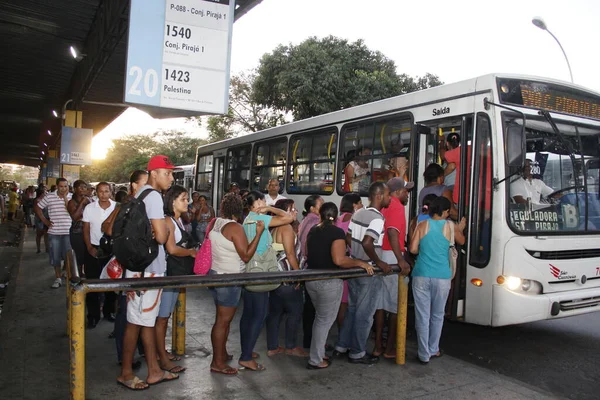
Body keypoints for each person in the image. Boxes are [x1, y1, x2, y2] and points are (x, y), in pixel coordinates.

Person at [117, 156, 178, 390]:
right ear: (154, 173)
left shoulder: (141, 193)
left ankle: (153, 370)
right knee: (137, 322)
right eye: (167, 173)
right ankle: (125, 372)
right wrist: (161, 229)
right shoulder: (153, 196)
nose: (171, 178)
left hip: (140, 268)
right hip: (148, 270)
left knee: (144, 321)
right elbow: (162, 237)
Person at [305, 202, 374, 369]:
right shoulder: (337, 232)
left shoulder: (313, 230)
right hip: (328, 282)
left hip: (310, 280)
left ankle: (319, 354)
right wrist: (360, 262)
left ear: (320, 215)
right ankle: (315, 360)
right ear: (336, 218)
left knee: (320, 320)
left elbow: (308, 253)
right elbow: (339, 260)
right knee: (324, 321)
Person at [333, 181, 391, 365]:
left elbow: (349, 237)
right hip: (368, 270)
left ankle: (342, 345)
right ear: (380, 196)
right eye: (388, 195)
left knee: (352, 309)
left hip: (354, 269)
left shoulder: (358, 213)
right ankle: (357, 352)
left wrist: (356, 254)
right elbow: (368, 242)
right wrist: (379, 261)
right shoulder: (377, 218)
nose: (389, 198)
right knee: (365, 314)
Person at [209, 193, 263, 375]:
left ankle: (221, 354)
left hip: (216, 274)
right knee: (222, 322)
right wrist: (258, 234)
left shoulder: (217, 222)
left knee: (222, 320)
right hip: (229, 277)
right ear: (240, 210)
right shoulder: (235, 227)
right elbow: (246, 255)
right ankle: (217, 362)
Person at [239, 191, 293, 371]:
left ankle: (246, 349)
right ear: (256, 204)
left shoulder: (248, 219)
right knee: (259, 315)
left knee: (248, 314)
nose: (265, 202)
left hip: (250, 271)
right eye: (262, 200)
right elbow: (288, 218)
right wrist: (270, 208)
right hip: (261, 272)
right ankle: (246, 357)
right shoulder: (261, 219)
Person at [409, 196, 466, 365]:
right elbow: (461, 241)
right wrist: (460, 228)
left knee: (422, 315)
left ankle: (423, 353)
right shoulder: (450, 226)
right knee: (437, 314)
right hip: (442, 276)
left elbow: (412, 249)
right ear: (445, 211)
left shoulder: (422, 225)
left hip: (421, 274)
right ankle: (434, 348)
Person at [157, 185, 198, 374]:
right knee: (162, 318)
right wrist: (191, 252)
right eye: (183, 198)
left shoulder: (178, 220)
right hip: (167, 273)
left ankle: (161, 352)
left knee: (166, 316)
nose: (187, 202)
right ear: (172, 201)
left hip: (174, 273)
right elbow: (172, 249)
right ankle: (162, 357)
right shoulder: (169, 221)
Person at [111, 171, 147, 372]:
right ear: (134, 186)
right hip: (129, 265)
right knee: (126, 313)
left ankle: (138, 349)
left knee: (137, 312)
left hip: (138, 266)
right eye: (145, 184)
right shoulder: (128, 206)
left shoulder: (143, 204)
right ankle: (123, 358)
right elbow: (109, 229)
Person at [374, 177, 413, 359]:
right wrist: (401, 260)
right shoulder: (397, 206)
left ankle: (378, 346)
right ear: (397, 192)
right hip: (391, 255)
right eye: (406, 191)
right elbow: (392, 232)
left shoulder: (383, 204)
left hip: (380, 255)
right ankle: (390, 349)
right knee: (396, 304)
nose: (408, 194)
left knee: (380, 305)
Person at [265, 199, 306, 358]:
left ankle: (272, 346)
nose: (296, 212)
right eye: (292, 209)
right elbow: (290, 255)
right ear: (284, 212)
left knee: (275, 313)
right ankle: (291, 346)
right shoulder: (286, 228)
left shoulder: (274, 228)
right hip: (287, 277)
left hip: (276, 276)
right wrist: (298, 276)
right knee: (294, 312)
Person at [82, 182, 116, 329]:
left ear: (111, 192)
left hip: (112, 251)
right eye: (100, 191)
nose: (103, 194)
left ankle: (109, 312)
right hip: (94, 250)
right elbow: (86, 230)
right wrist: (89, 247)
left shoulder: (117, 207)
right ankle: (93, 316)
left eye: (106, 191)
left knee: (112, 284)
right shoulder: (90, 208)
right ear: (96, 192)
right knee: (93, 284)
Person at [34, 178, 72, 289]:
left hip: (68, 232)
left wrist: (65, 198)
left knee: (68, 257)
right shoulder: (49, 196)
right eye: (61, 186)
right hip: (54, 232)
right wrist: (45, 220)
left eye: (66, 186)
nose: (64, 188)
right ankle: (58, 277)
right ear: (56, 186)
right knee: (55, 257)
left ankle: (66, 273)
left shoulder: (70, 197)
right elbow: (37, 207)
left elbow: (69, 210)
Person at [297, 195, 324, 349]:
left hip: (306, 266)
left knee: (309, 307)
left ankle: (309, 340)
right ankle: (312, 342)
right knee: (313, 308)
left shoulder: (306, 219)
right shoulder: (315, 222)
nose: (324, 206)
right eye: (321, 204)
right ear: (313, 208)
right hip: (311, 267)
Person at [335, 193, 363, 329]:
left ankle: (341, 334)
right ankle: (343, 337)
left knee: (341, 302)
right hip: (349, 263)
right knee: (347, 303)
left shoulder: (338, 219)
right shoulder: (354, 219)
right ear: (354, 205)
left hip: (338, 263)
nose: (362, 206)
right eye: (360, 203)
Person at [67, 180, 90, 277]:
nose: (83, 189)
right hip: (77, 233)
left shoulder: (88, 201)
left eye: (84, 187)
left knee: (87, 255)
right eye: (80, 187)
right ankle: (79, 277)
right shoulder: (71, 202)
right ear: (75, 189)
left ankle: (86, 275)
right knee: (79, 257)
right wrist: (81, 203)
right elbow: (75, 217)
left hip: (88, 232)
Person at [34, 187, 49, 253]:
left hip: (46, 219)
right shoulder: (37, 200)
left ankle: (47, 248)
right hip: (39, 220)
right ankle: (38, 248)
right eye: (45, 193)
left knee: (46, 234)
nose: (46, 194)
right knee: (39, 234)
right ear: (41, 194)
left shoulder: (46, 200)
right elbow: (36, 210)